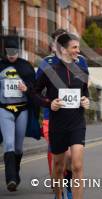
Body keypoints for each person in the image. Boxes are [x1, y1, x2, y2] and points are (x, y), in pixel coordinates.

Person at [34, 33, 89, 199]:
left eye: (78, 47)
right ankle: (59, 195)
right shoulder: (50, 69)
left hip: (77, 122)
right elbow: (35, 93)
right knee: (58, 166)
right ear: (64, 49)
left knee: (77, 165)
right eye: (74, 47)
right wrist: (49, 103)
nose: (78, 51)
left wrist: (85, 100)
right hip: (57, 123)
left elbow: (84, 92)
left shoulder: (81, 68)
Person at [0, 39, 36, 191]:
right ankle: (11, 179)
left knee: (19, 148)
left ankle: (16, 172)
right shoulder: (0, 66)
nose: (12, 56)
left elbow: (34, 88)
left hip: (22, 109)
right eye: (9, 52)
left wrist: (26, 88)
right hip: (4, 109)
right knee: (8, 143)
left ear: (19, 52)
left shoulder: (26, 66)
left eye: (14, 52)